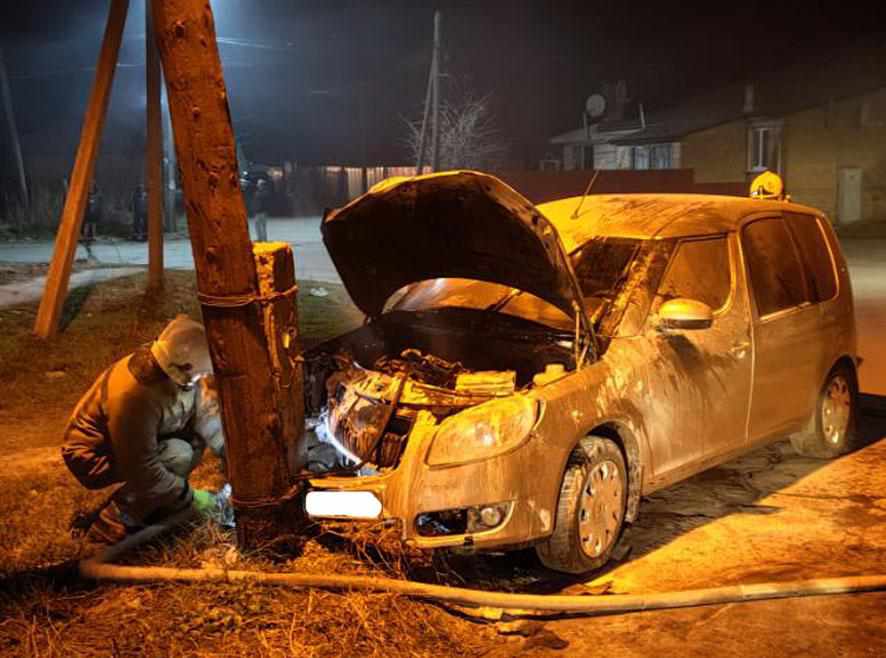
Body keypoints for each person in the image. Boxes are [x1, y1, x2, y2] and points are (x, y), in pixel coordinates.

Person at [62, 315, 226, 543]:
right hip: (93, 455)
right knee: (178, 453)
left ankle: (155, 504)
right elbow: (142, 467)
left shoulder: (174, 365)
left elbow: (204, 413)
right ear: (185, 366)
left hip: (131, 443)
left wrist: (228, 452)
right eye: (198, 374)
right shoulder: (133, 397)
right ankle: (112, 520)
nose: (199, 379)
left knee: (194, 442)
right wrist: (190, 497)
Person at [252, 177, 270, 242]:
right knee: (260, 226)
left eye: (259, 184)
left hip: (261, 212)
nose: (258, 185)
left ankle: (262, 239)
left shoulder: (262, 193)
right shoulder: (262, 192)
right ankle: (262, 238)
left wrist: (257, 210)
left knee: (261, 226)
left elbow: (260, 203)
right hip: (260, 211)